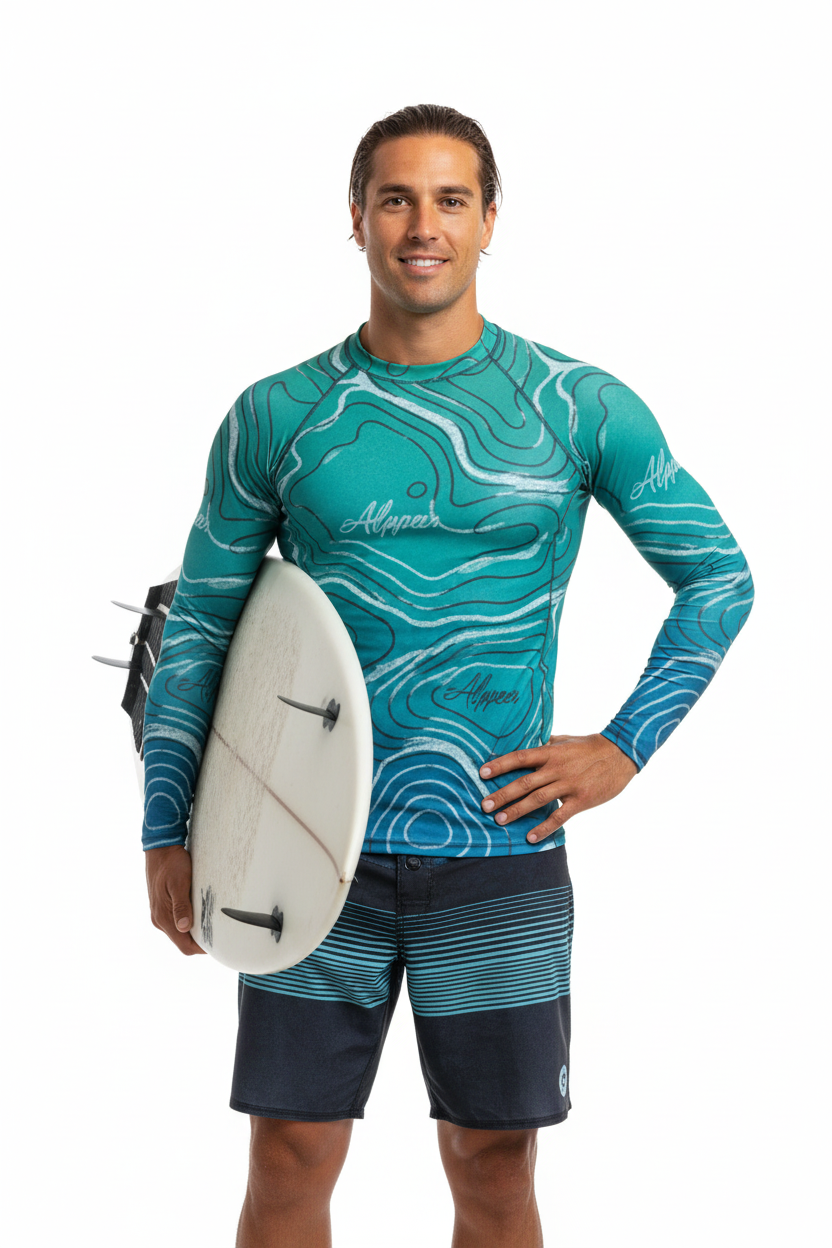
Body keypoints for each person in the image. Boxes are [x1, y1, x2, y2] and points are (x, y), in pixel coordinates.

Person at [142, 104, 754, 1248]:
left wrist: (622, 747)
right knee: (288, 1154)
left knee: (492, 1165)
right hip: (302, 841)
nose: (422, 225)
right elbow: (203, 628)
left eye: (449, 200)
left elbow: (717, 577)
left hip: (498, 844)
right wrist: (164, 830)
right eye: (396, 199)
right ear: (357, 218)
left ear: (488, 221)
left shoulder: (573, 405)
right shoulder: (281, 414)